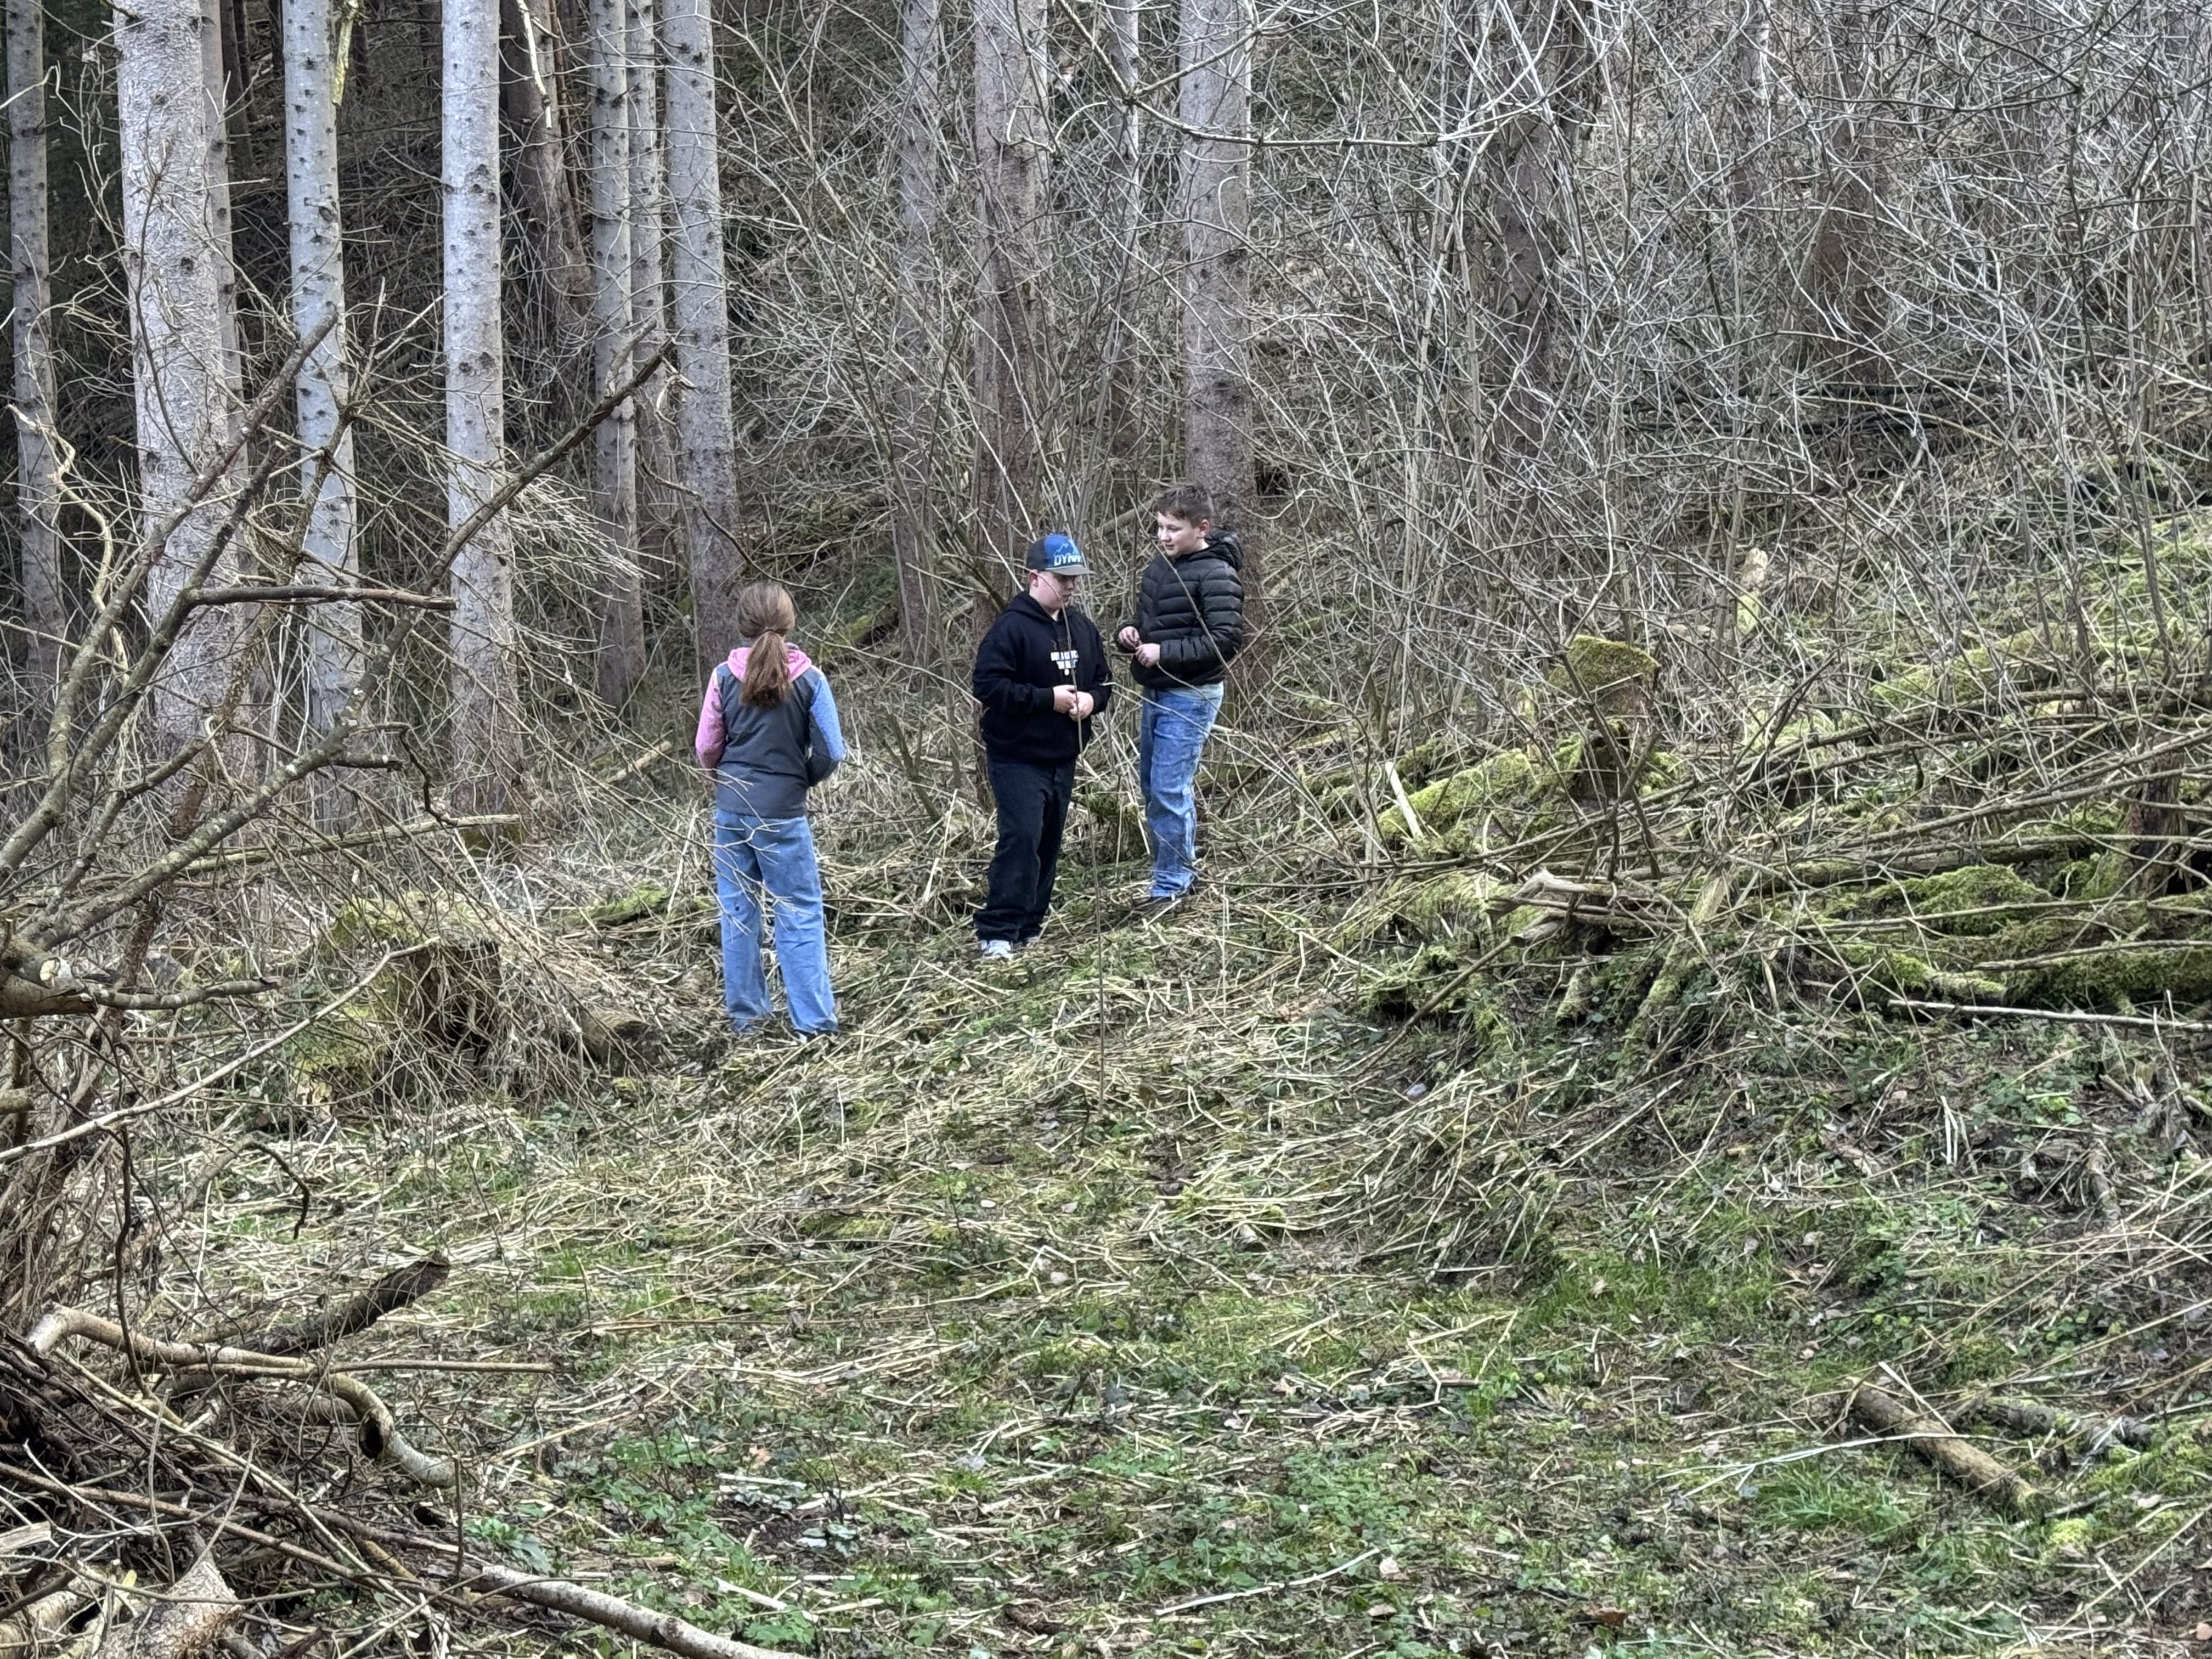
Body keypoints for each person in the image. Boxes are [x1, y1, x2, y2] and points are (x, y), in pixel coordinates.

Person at [695, 581, 847, 1036]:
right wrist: (802, 779)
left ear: (742, 625)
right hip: (783, 814)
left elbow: (706, 747)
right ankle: (813, 1023)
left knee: (738, 911)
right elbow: (832, 751)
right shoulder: (812, 679)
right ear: (789, 622)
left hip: (732, 810)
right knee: (798, 909)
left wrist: (724, 780)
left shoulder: (723, 676)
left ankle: (747, 1018)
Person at [971, 534, 1114, 958]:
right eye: (1062, 578)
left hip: (1063, 755)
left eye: (1076, 579)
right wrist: (1046, 699)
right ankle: (998, 931)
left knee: (1049, 842)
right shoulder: (1010, 629)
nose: (1071, 586)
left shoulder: (1082, 628)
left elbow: (1104, 681)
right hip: (1017, 755)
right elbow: (989, 686)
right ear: (1034, 577)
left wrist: (1091, 701)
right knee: (1022, 837)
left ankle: (1030, 926)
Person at [1114, 482, 1246, 912]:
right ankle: (1173, 874)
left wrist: (1165, 652)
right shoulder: (1159, 568)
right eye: (1160, 527)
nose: (1164, 536)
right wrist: (1129, 634)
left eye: (1173, 529)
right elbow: (1152, 622)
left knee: (1169, 789)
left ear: (1201, 528)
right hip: (1156, 689)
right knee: (1153, 787)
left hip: (1192, 694)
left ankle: (1173, 886)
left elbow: (1226, 640)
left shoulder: (1217, 573)